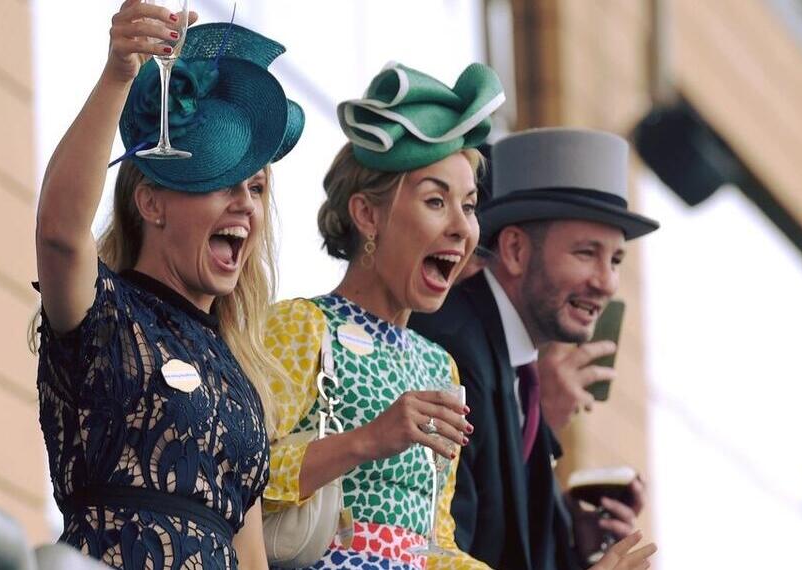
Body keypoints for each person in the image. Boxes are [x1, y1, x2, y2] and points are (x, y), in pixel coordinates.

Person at [32, 2, 303, 568]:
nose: (246, 205)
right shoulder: (106, 311)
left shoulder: (239, 376)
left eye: (256, 188)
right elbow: (59, 233)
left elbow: (250, 555)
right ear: (151, 203)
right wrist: (118, 75)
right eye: (223, 182)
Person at [263, 62, 504, 569]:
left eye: (469, 206)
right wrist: (367, 440)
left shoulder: (440, 366)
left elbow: (436, 545)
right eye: (436, 201)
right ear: (367, 215)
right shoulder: (303, 326)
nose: (462, 228)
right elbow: (242, 474)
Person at [409, 128, 660, 570]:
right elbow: (433, 554)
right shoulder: (451, 348)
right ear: (515, 250)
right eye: (586, 253)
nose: (606, 282)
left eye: (616, 260)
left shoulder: (516, 371)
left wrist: (572, 546)